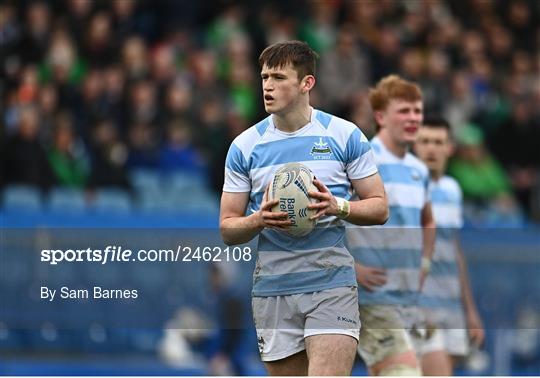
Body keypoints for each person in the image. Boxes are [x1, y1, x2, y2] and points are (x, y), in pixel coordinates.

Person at [220, 40, 388, 376]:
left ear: (306, 83)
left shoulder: (345, 136)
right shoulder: (245, 146)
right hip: (273, 289)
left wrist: (337, 206)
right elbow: (227, 227)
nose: (268, 85)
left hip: (331, 283)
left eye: (279, 77)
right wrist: (257, 220)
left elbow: (379, 207)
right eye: (265, 77)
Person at [346, 75, 436, 376]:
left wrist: (423, 264)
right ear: (381, 116)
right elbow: (329, 214)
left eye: (417, 111)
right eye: (404, 111)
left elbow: (428, 220)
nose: (413, 118)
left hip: (408, 297)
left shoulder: (418, 169)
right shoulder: (364, 160)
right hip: (372, 297)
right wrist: (350, 267)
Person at [413, 116, 485, 375]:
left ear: (450, 148)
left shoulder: (452, 189)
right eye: (425, 141)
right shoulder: (405, 187)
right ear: (414, 145)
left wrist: (470, 310)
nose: (431, 148)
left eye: (438, 142)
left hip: (451, 305)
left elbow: (454, 250)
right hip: (419, 306)